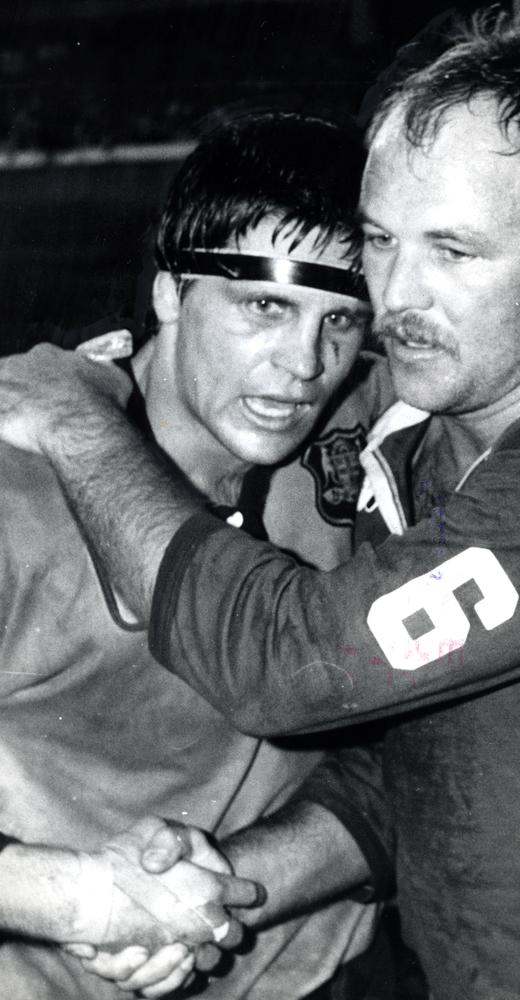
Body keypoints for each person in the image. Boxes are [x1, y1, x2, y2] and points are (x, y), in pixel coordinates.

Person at [0, 10, 520, 998]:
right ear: (169, 296)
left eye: (454, 252)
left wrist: (76, 422)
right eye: (383, 242)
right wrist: (128, 896)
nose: (394, 304)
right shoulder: (410, 431)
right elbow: (405, 767)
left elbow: (297, 667)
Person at [0, 108, 391, 999]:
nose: (305, 366)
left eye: (343, 321)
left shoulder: (375, 433)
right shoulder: (16, 489)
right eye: (266, 305)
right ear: (171, 294)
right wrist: (87, 899)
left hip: (308, 964)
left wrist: (225, 893)